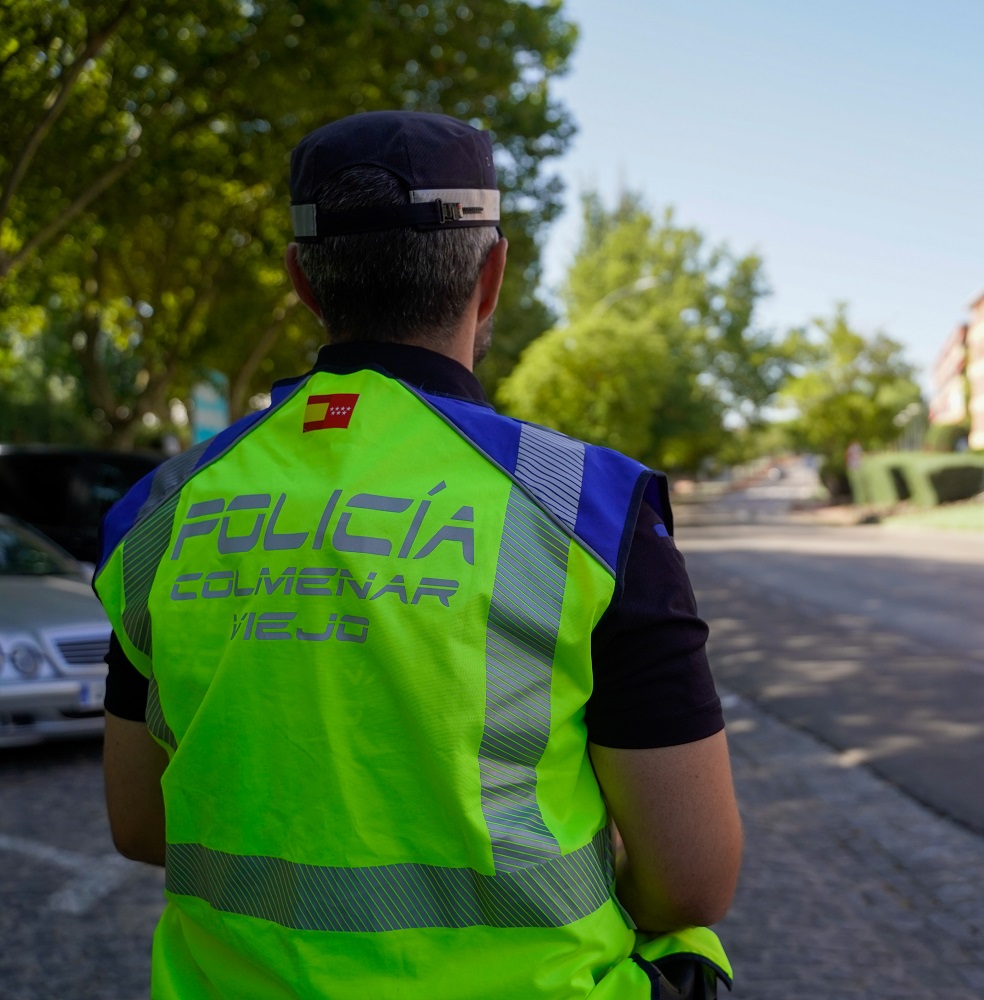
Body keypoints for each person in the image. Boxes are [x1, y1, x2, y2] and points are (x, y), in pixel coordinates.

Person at [94, 110, 741, 1000]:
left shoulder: (157, 513)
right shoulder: (585, 504)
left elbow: (141, 824)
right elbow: (694, 879)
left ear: (301, 284)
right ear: (493, 276)